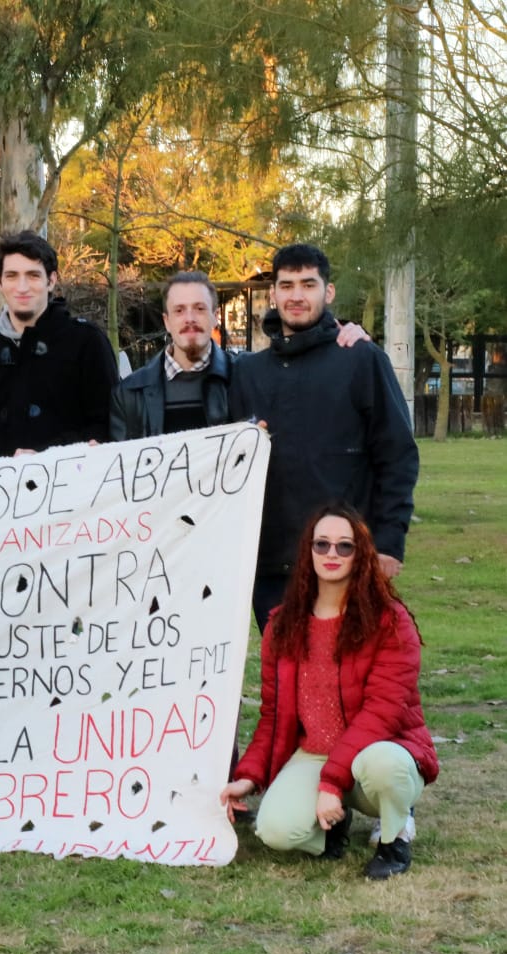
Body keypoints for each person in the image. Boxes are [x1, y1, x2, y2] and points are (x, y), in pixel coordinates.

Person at [220, 504, 438, 880]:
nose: (332, 555)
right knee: (275, 830)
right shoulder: (282, 624)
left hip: (379, 749)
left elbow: (382, 714)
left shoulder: (389, 620)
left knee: (384, 766)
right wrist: (249, 776)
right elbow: (273, 715)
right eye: (322, 545)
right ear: (308, 552)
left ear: (362, 554)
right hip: (315, 754)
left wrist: (332, 783)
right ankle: (331, 826)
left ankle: (394, 837)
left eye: (345, 546)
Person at [229, 244, 418, 632]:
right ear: (273, 294)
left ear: (327, 292)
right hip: (271, 568)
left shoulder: (361, 360)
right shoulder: (248, 373)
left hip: (344, 560)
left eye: (308, 284)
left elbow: (397, 454)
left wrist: (388, 542)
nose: (297, 295)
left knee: (346, 685)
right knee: (284, 686)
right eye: (287, 285)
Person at [110, 271, 372, 440]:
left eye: (200, 309)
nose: (190, 319)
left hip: (234, 523)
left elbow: (307, 384)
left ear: (215, 316)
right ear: (166, 321)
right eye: (179, 311)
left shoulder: (250, 374)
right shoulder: (131, 393)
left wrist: (343, 338)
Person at [0, 230, 118, 457]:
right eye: (12, 276)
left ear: (51, 280)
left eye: (33, 275)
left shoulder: (87, 342)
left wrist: (46, 457)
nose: (22, 287)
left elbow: (107, 426)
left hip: (66, 485)